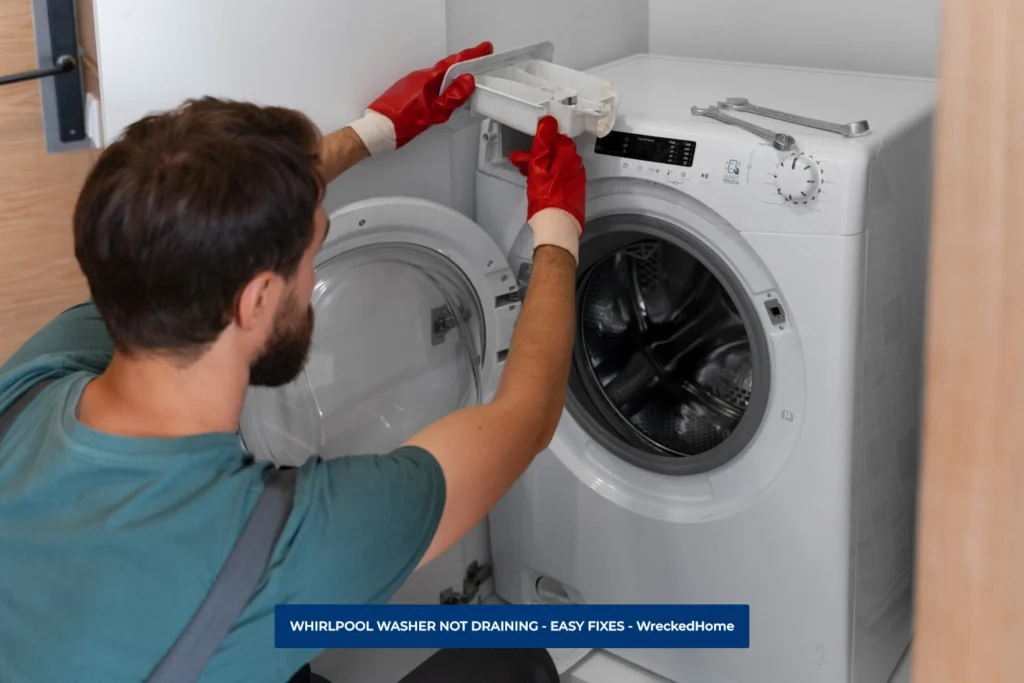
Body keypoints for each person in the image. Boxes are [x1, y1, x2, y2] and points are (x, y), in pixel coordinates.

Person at [0, 42, 586, 683]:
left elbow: (189, 228)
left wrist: (375, 132)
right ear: (255, 301)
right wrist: (557, 231)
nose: (312, 282)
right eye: (312, 255)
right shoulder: (282, 539)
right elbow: (526, 416)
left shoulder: (37, 380)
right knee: (513, 664)